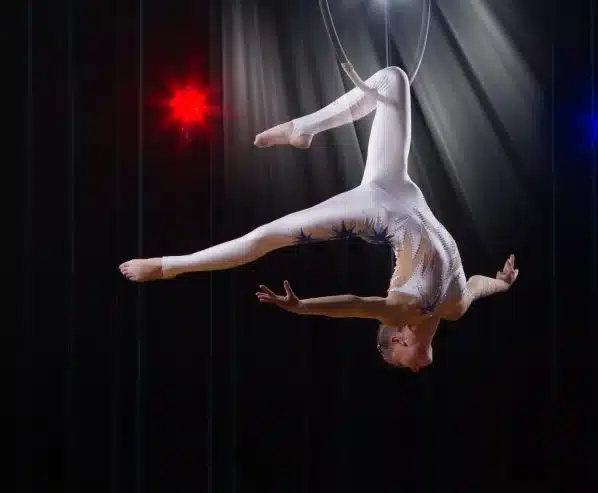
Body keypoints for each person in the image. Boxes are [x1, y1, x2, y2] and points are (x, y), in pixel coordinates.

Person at [119, 66, 519, 372]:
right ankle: (301, 129)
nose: (414, 370)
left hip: (372, 212)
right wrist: (501, 283)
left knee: (264, 238)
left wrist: (304, 308)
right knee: (393, 79)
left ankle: (167, 267)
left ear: (398, 340)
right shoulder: (454, 306)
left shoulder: (403, 311)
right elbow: (476, 285)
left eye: (402, 364)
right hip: (399, 188)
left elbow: (355, 304)